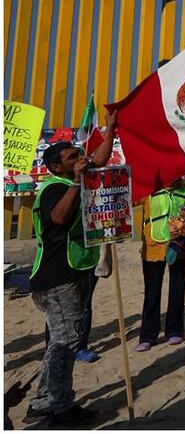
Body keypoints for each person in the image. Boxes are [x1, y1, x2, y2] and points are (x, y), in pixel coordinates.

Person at [25, 110, 116, 427]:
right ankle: (59, 408)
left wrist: (113, 127)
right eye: (72, 156)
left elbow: (100, 160)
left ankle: (44, 400)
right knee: (64, 344)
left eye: (79, 153)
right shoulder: (53, 188)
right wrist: (77, 182)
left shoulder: (75, 175)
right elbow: (60, 218)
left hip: (74, 271)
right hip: (56, 278)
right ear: (56, 166)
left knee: (63, 341)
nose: (80, 158)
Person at [136, 176, 185, 351]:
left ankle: (174, 330)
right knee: (152, 293)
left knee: (178, 290)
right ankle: (148, 335)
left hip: (179, 246)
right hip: (153, 246)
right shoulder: (148, 189)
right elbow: (127, 201)